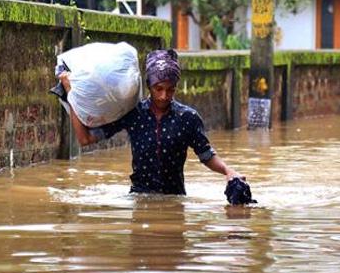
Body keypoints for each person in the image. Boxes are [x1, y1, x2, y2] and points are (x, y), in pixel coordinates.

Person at [58, 48, 243, 195]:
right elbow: (85, 139)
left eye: (170, 90)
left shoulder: (188, 118)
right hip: (139, 197)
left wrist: (228, 171)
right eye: (158, 88)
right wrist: (71, 94)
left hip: (175, 200)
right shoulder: (133, 114)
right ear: (148, 86)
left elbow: (207, 156)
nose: (164, 96)